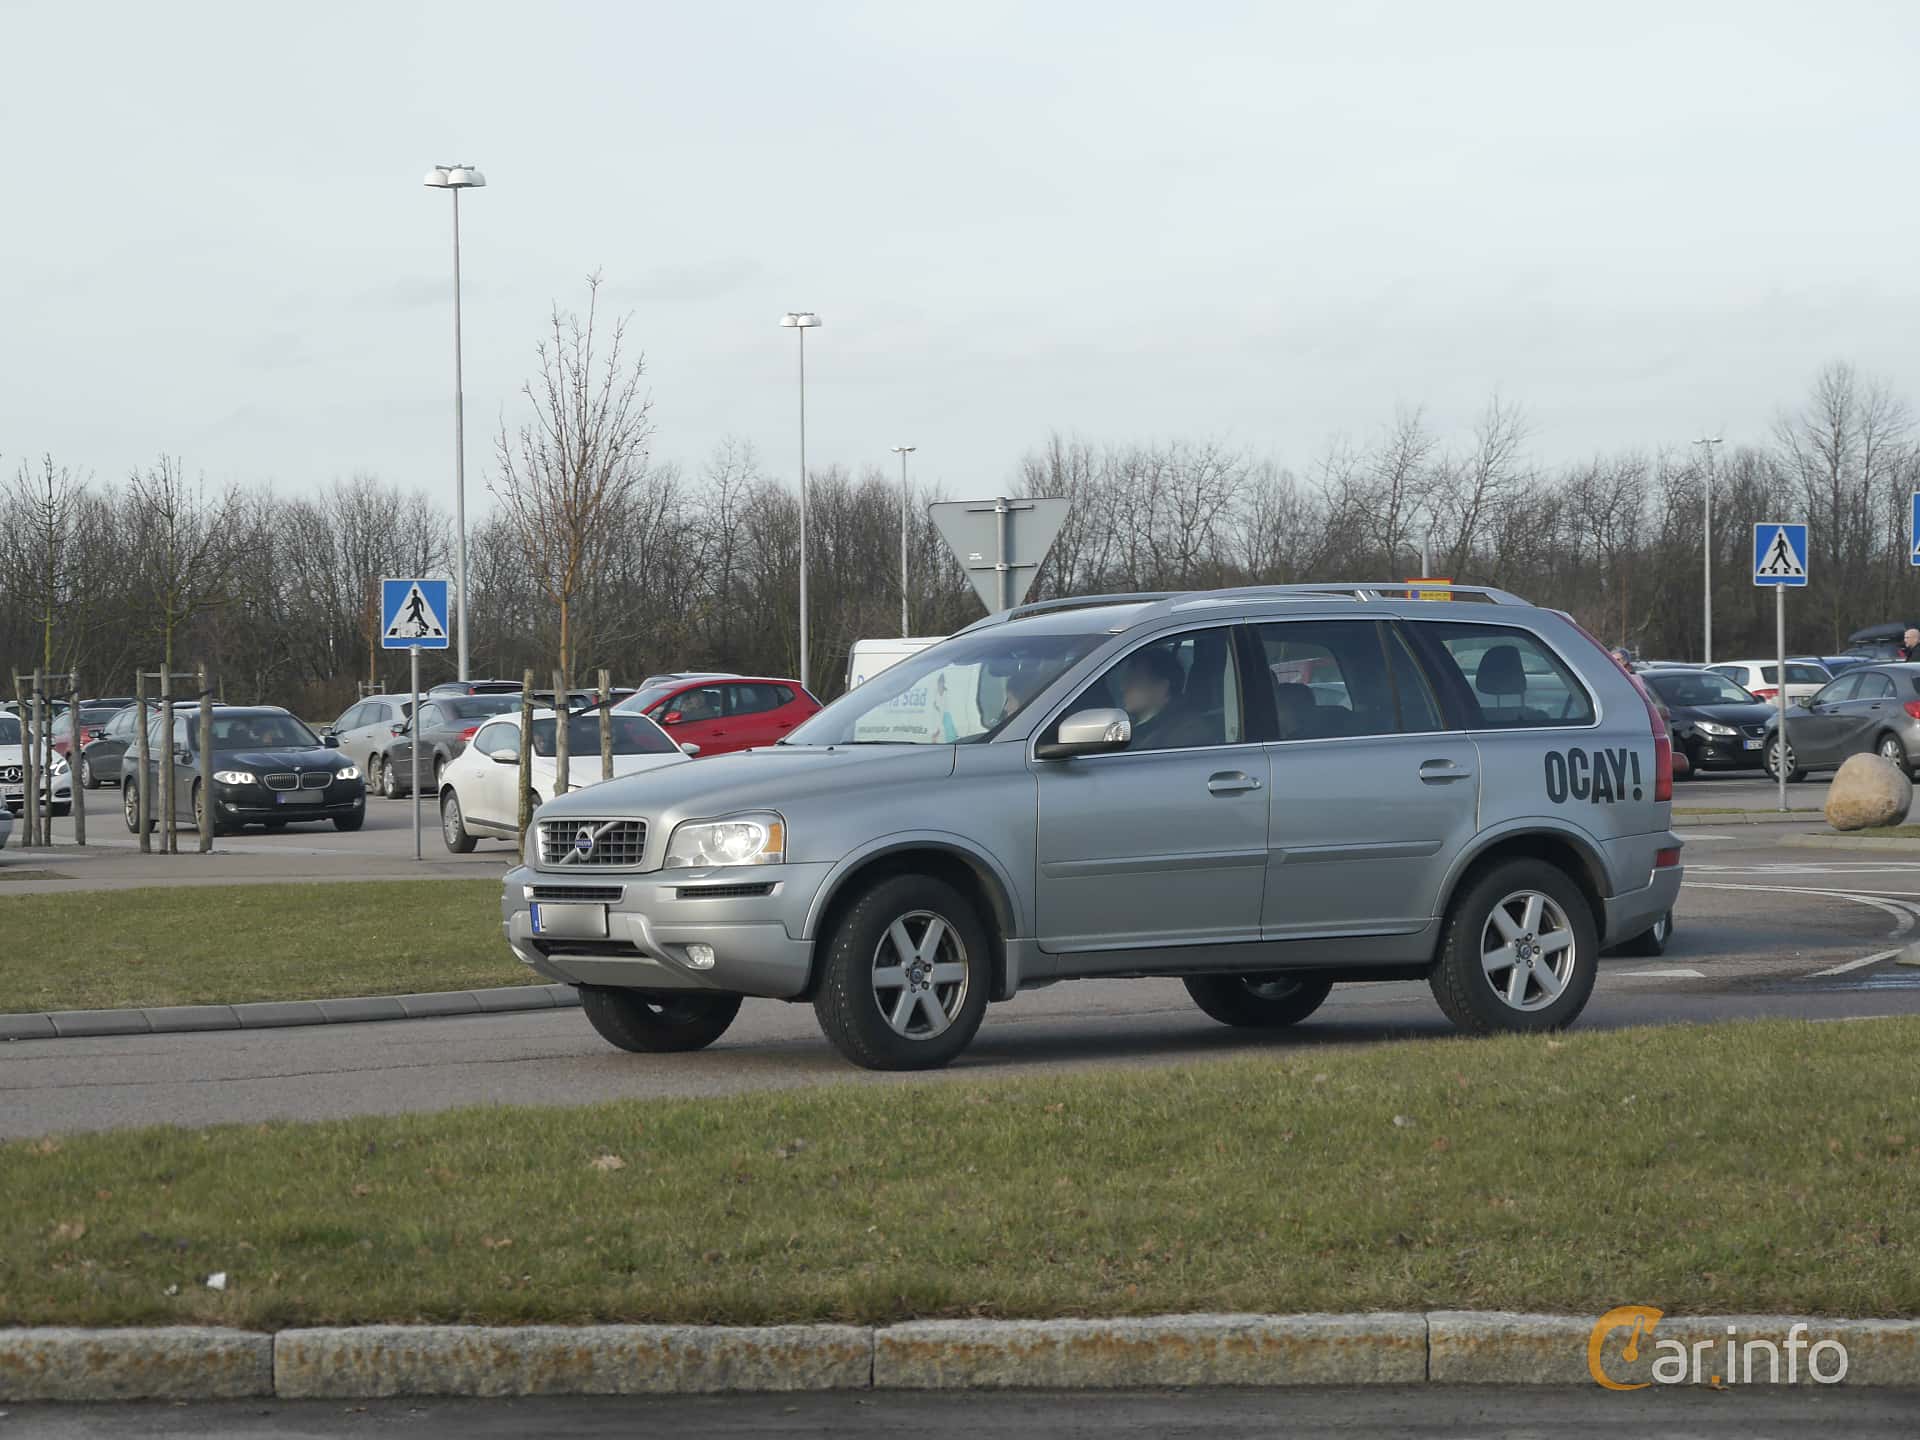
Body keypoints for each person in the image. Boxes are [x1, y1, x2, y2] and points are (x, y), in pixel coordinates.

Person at [1117, 648, 1199, 749]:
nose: (1123, 687)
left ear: (1162, 687)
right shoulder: (1129, 726)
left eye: (1134, 680)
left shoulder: (1184, 735)